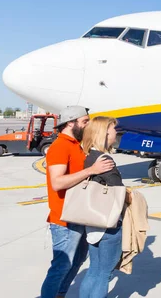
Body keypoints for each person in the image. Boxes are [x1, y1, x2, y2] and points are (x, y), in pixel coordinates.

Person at [41, 106, 114, 298]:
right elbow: (57, 183)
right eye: (84, 121)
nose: (87, 125)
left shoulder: (76, 144)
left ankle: (60, 294)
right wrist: (91, 170)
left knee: (78, 259)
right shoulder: (60, 146)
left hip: (78, 214)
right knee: (61, 265)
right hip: (64, 218)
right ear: (70, 123)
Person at [79, 116, 132, 298]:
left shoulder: (89, 156)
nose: (116, 133)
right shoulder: (104, 160)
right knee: (104, 274)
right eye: (113, 130)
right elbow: (118, 189)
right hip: (108, 224)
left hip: (92, 223)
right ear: (104, 133)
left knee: (93, 270)